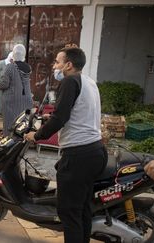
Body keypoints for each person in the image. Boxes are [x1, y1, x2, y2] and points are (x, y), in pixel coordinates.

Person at [24, 47, 107, 243]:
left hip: (78, 155)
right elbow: (77, 110)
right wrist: (48, 117)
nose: (54, 66)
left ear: (69, 65)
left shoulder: (69, 81)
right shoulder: (89, 82)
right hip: (95, 151)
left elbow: (60, 117)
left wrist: (36, 136)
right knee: (82, 208)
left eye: (57, 62)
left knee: (69, 212)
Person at [0, 44, 32, 136]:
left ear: (13, 54)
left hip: (12, 101)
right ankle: (19, 143)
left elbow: (4, 84)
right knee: (22, 124)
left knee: (10, 124)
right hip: (26, 100)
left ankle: (9, 144)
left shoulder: (10, 67)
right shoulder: (28, 68)